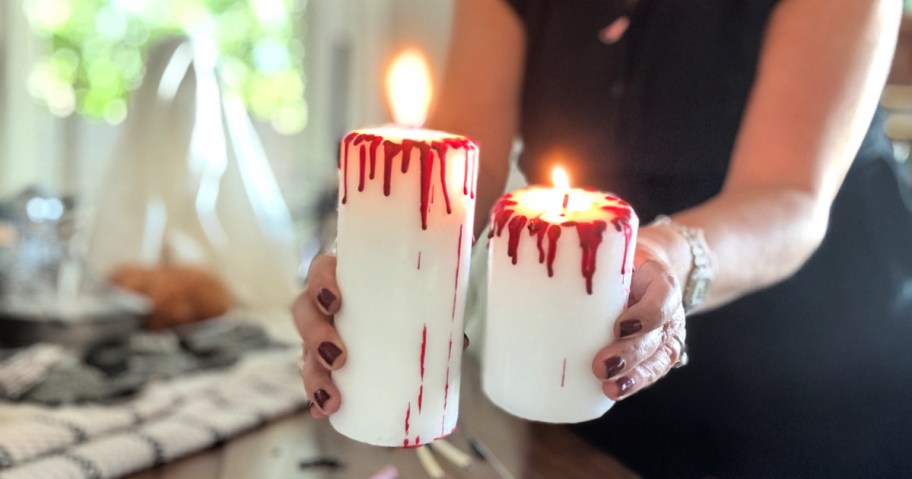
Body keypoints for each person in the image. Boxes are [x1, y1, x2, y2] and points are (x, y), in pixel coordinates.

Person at [294, 0, 912, 476]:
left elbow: (789, 197)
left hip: (813, 366)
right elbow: (458, 166)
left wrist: (660, 259)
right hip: (588, 360)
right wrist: (378, 269)